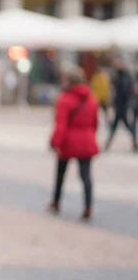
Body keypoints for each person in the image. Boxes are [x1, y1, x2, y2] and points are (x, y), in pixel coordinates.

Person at [49, 67, 99, 220]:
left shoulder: (65, 99)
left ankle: (56, 201)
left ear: (70, 81)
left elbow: (61, 125)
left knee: (61, 173)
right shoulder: (92, 99)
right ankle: (88, 206)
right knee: (86, 176)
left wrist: (55, 142)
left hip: (68, 142)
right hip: (87, 140)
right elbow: (95, 123)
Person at [104, 58, 137, 152]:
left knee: (119, 126)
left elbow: (126, 91)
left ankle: (108, 143)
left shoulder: (126, 76)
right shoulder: (117, 75)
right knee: (121, 126)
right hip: (119, 105)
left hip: (123, 106)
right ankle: (134, 142)